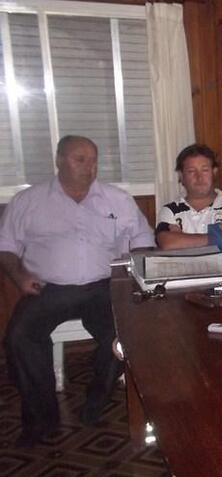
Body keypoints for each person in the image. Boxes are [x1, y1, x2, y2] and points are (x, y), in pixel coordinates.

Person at [0, 135, 155, 447]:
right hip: (47, 288)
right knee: (19, 338)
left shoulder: (117, 200)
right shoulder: (29, 201)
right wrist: (19, 276)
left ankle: (97, 398)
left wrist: (134, 272)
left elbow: (142, 240)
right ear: (59, 160)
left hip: (103, 287)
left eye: (94, 160)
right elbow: (6, 248)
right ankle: (42, 420)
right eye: (79, 159)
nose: (89, 167)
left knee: (121, 336)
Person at [156, 144, 222, 249]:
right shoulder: (169, 210)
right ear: (181, 176)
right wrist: (219, 238)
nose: (199, 177)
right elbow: (168, 243)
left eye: (205, 170)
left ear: (214, 172)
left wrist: (182, 238)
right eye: (191, 171)